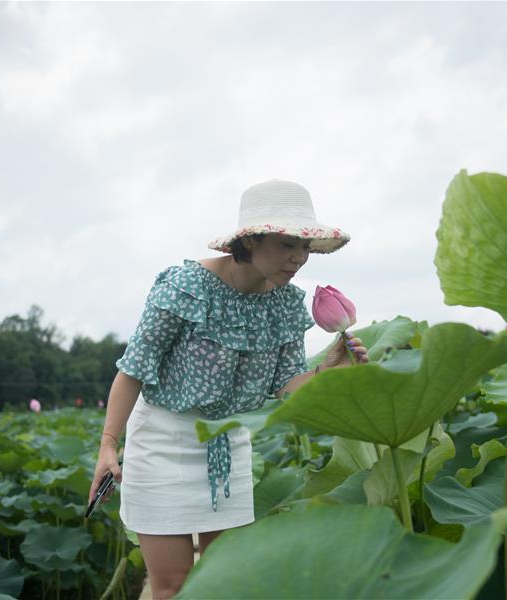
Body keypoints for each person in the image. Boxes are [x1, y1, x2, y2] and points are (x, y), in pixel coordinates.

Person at [88, 179, 368, 600]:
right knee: (173, 587)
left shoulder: (287, 304)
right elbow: (133, 371)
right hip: (163, 440)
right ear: (250, 240)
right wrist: (109, 444)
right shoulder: (185, 287)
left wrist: (328, 372)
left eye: (305, 247)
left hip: (229, 442)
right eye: (287, 243)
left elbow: (286, 387)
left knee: (225, 585)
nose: (298, 258)